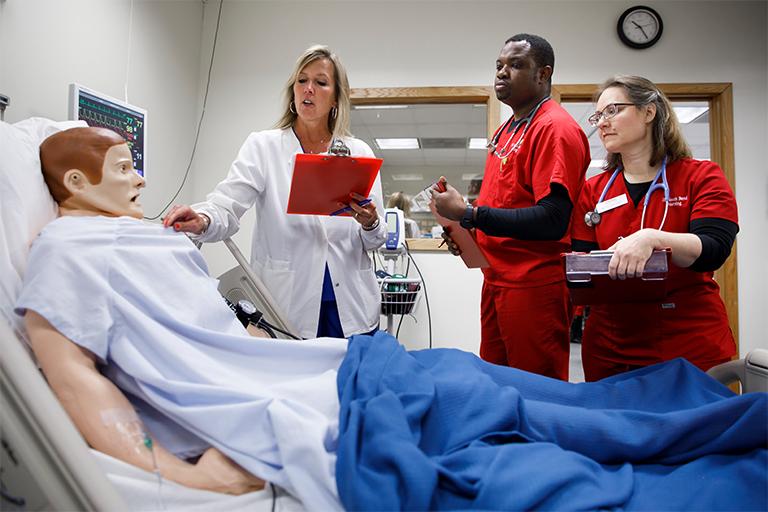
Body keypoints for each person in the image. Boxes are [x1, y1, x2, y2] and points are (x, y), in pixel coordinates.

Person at [16, 127, 768, 512]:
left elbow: (230, 324)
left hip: (334, 359)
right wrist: (177, 472)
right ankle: (699, 432)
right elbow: (73, 367)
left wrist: (374, 223)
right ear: (77, 182)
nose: (142, 177)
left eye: (323, 82)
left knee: (499, 387)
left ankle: (688, 417)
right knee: (504, 408)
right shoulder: (69, 250)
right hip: (312, 387)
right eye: (126, 169)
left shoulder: (150, 239)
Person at [163, 45, 386, 339]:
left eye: (320, 82)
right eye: (302, 80)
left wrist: (370, 222)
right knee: (290, 367)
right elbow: (227, 205)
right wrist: (203, 219)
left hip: (351, 304)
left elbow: (376, 239)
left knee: (353, 369)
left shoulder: (358, 152)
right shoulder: (263, 147)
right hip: (288, 301)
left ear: (335, 98)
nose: (308, 89)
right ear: (293, 90)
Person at [431, 34, 590, 380]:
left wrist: (469, 214)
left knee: (535, 389)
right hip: (497, 279)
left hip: (533, 285)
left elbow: (552, 219)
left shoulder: (555, 128)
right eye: (499, 65)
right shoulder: (507, 130)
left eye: (516, 65)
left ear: (543, 74)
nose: (502, 72)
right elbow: (506, 204)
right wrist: (466, 233)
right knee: (495, 383)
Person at [571, 75, 739, 381]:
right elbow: (583, 265)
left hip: (686, 340)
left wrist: (652, 238)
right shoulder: (594, 190)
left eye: (613, 111)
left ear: (649, 111)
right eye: (598, 116)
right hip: (610, 345)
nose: (602, 123)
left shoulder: (701, 177)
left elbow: (714, 248)